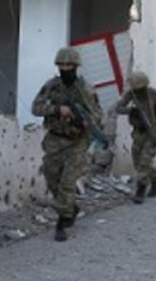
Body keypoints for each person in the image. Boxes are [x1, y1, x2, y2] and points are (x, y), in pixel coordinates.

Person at [32, 47, 103, 242]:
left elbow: (97, 114)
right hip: (55, 139)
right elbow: (36, 108)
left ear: (76, 66)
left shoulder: (86, 90)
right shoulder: (51, 86)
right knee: (52, 178)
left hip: (77, 141)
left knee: (67, 182)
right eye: (61, 65)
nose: (65, 68)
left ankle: (62, 222)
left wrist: (86, 122)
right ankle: (70, 208)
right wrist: (57, 109)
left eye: (69, 65)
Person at [113, 71, 156, 203]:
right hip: (138, 132)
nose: (139, 92)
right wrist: (132, 111)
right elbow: (118, 108)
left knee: (144, 161)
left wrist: (152, 122)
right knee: (138, 160)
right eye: (136, 89)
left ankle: (140, 190)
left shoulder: (155, 95)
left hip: (153, 132)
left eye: (141, 89)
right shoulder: (131, 95)